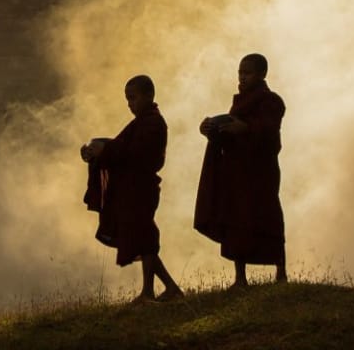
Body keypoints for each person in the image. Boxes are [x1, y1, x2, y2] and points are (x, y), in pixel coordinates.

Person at [81, 74, 184, 303]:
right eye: (127, 99)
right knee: (142, 239)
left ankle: (150, 291)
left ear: (149, 96)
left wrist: (104, 151)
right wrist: (95, 153)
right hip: (131, 189)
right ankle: (169, 288)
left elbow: (135, 154)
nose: (130, 104)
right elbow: (120, 147)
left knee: (145, 239)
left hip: (142, 187)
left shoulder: (154, 123)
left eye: (134, 98)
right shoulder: (140, 123)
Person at [194, 52, 287, 287]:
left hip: (260, 171)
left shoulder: (271, 101)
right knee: (236, 220)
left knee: (268, 216)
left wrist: (244, 128)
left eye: (248, 73)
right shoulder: (239, 103)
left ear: (262, 74)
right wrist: (212, 129)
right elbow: (230, 136)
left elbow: (269, 131)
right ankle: (240, 278)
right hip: (236, 171)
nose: (242, 78)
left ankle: (281, 273)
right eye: (240, 73)